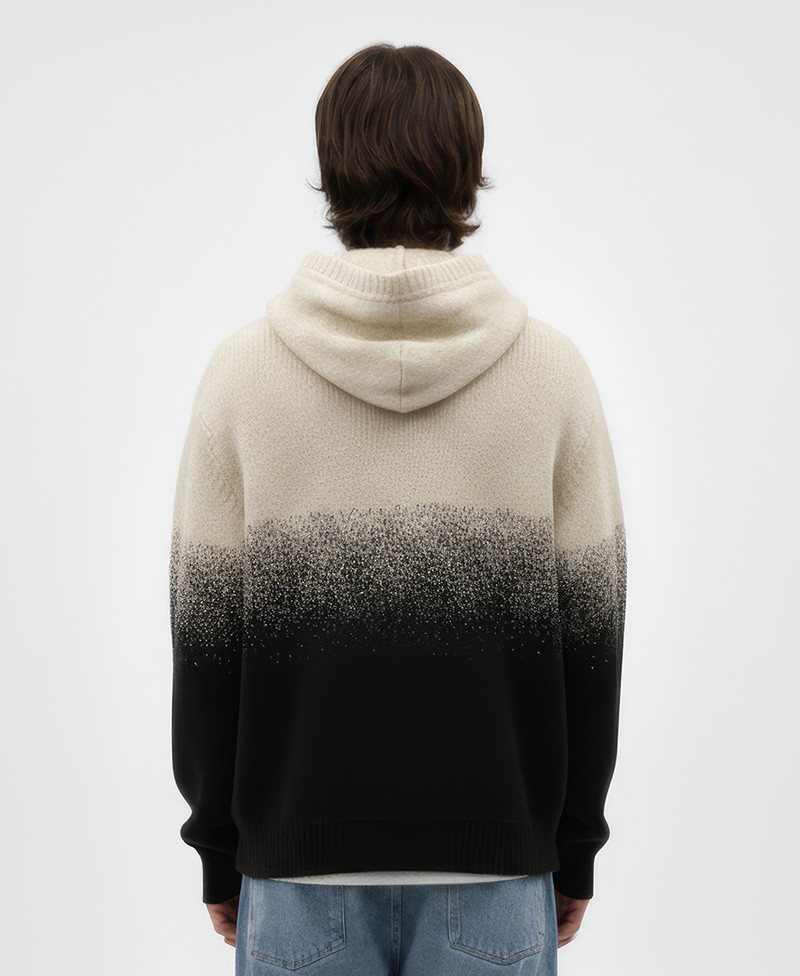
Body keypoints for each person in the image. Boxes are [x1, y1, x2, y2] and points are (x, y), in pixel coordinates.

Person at [169, 42, 627, 975]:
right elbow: (596, 641)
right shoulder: (553, 375)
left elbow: (204, 641)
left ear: (333, 168)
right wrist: (574, 844)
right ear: (466, 169)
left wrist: (218, 846)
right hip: (497, 871)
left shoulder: (242, 375)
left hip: (296, 876)